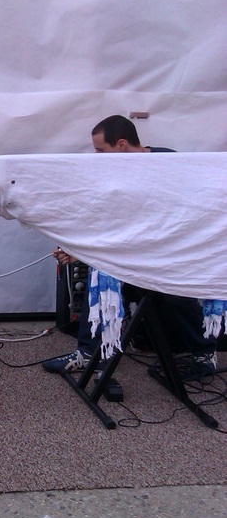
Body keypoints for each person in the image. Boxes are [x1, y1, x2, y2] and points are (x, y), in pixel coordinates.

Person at [43, 115, 218, 374]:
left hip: (170, 257)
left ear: (121, 145)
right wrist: (79, 251)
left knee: (171, 292)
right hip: (135, 258)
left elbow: (190, 215)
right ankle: (91, 352)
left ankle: (205, 353)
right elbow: (114, 222)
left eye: (100, 150)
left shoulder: (170, 164)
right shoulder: (115, 176)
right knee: (101, 273)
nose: (97, 156)